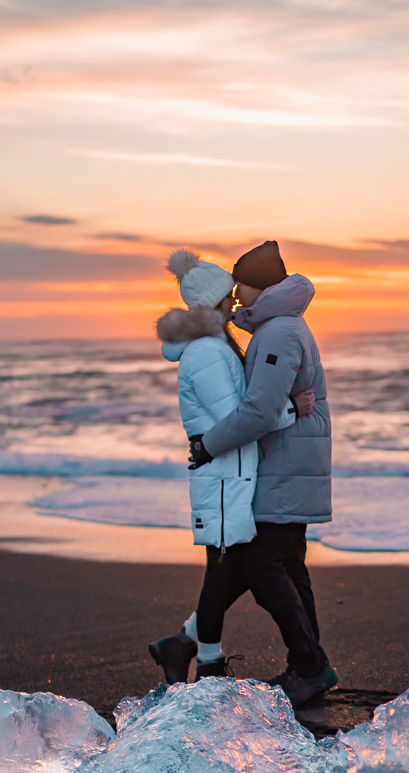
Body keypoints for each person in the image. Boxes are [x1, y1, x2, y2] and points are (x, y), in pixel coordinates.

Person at [149, 249, 314, 684]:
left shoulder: (215, 346)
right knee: (222, 567)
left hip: (230, 472)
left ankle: (190, 649)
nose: (237, 301)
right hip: (223, 475)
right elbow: (236, 418)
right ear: (216, 301)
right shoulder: (207, 352)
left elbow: (239, 415)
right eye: (230, 294)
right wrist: (292, 411)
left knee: (228, 567)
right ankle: (207, 664)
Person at [188, 240, 336, 707]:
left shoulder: (276, 334)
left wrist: (206, 445)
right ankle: (308, 666)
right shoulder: (280, 327)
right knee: (288, 564)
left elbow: (257, 412)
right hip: (290, 462)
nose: (235, 297)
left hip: (285, 465)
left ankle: (311, 666)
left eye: (241, 286)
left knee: (263, 564)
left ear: (260, 286)